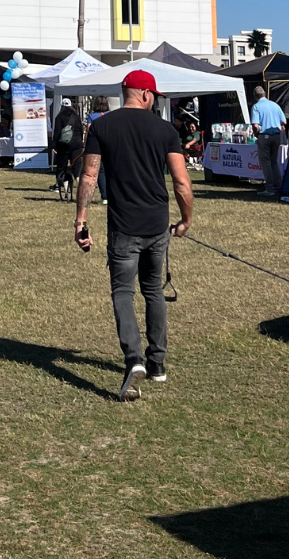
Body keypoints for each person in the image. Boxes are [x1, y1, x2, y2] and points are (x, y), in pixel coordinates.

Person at [75, 70, 194, 402]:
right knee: (153, 291)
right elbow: (181, 182)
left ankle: (134, 360)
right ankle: (157, 364)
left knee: (123, 294)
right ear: (145, 94)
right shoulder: (165, 130)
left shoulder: (102, 126)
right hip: (157, 226)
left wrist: (80, 222)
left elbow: (89, 175)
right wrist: (185, 221)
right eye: (153, 95)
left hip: (123, 227)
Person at [250, 86, 288, 196]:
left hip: (264, 135)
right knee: (273, 162)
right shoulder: (275, 105)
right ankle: (279, 185)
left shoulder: (256, 107)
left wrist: (256, 134)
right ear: (265, 94)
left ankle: (270, 188)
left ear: (255, 97)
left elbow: (255, 125)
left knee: (265, 162)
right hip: (276, 136)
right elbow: (284, 122)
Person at [51, 98, 83, 191]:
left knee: (61, 166)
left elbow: (57, 133)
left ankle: (61, 188)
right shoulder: (76, 116)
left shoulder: (59, 117)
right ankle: (81, 189)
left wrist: (54, 145)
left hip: (64, 145)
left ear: (62, 106)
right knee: (77, 167)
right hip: (77, 144)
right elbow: (80, 130)